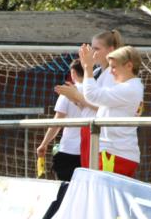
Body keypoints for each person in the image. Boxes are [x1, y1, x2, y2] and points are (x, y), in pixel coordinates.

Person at [59, 44, 144, 177]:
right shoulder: (131, 87)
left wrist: (87, 67)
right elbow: (98, 106)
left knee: (102, 196)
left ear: (129, 66)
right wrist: (77, 100)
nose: (111, 72)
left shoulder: (129, 88)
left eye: (114, 67)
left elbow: (93, 95)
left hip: (115, 154)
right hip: (116, 153)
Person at [37, 59, 94, 181]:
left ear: (73, 73)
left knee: (66, 190)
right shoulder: (95, 92)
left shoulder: (67, 93)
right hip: (91, 150)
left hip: (69, 150)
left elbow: (57, 123)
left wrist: (44, 144)